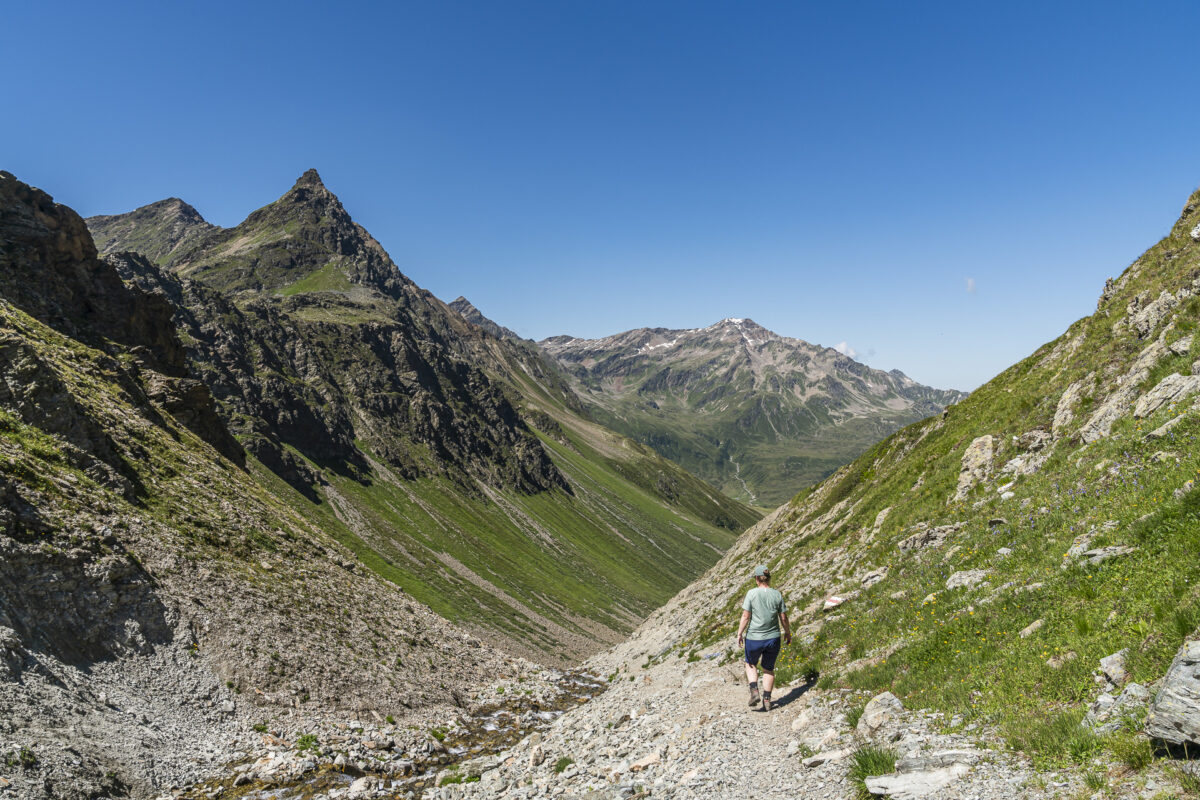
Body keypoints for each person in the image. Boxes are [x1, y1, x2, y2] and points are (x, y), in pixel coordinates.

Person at [736, 564, 791, 711]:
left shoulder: (752, 593)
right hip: (773, 637)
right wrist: (787, 632)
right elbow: (783, 617)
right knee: (768, 669)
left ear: (756, 579)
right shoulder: (777, 594)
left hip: (754, 637)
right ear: (768, 578)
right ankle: (767, 699)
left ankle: (754, 690)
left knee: (750, 663)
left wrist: (740, 633)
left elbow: (746, 616)